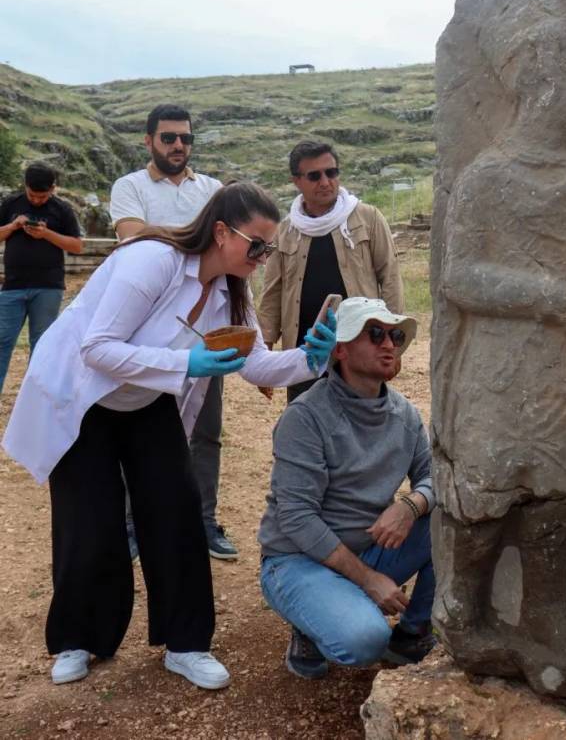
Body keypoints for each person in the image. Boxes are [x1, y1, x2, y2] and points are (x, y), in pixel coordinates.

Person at [1, 181, 338, 691]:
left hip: (148, 399)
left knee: (177, 512)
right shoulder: (153, 261)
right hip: (86, 398)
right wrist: (186, 362)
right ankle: (78, 638)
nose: (264, 258)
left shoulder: (230, 290)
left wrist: (312, 358)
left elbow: (256, 365)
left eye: (270, 249)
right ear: (222, 232)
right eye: (258, 245)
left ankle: (186, 645)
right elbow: (98, 348)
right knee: (89, 521)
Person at [258, 296, 435, 679]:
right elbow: (297, 518)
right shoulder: (305, 417)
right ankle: (308, 621)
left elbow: (435, 477)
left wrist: (411, 505)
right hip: (297, 559)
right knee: (364, 641)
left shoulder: (405, 414)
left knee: (454, 519)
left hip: (368, 547)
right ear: (340, 349)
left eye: (395, 334)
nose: (389, 344)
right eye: (375, 334)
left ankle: (412, 632)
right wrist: (369, 580)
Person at [110, 105, 236, 560]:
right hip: (146, 331)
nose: (178, 146)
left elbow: (227, 247)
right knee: (136, 427)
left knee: (206, 430)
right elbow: (132, 237)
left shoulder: (215, 189)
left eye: (184, 138)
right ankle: (130, 524)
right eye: (168, 138)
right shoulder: (129, 187)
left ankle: (203, 521)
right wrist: (201, 237)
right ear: (148, 141)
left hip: (206, 327)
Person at [259, 141, 403, 403]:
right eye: (314, 176)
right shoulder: (286, 229)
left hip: (359, 345)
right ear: (297, 181)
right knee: (306, 423)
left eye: (331, 172)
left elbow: (390, 278)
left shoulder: (368, 218)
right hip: (304, 351)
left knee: (362, 422)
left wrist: (395, 343)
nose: (325, 182)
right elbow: (273, 290)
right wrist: (264, 353)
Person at [0, 162, 83, 393]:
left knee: (42, 346)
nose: (37, 200)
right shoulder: (11, 204)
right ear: (25, 186)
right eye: (32, 195)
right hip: (12, 286)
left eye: (43, 196)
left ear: (53, 188)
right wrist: (13, 226)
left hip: (48, 287)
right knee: (2, 342)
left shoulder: (62, 209)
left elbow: (77, 246)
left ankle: (34, 398)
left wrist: (46, 234)